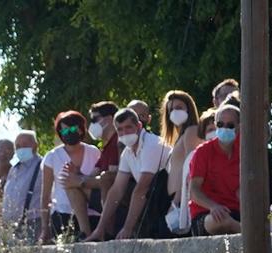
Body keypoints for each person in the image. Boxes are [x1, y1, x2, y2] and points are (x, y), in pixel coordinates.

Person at [91, 106, 173, 241]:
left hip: (167, 198)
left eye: (128, 127)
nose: (125, 133)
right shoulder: (127, 152)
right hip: (153, 199)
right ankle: (105, 232)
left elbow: (141, 189)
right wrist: (100, 228)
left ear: (139, 126)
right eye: (120, 130)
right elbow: (116, 190)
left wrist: (128, 228)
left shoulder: (151, 144)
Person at [41, 111, 102, 242]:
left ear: (81, 129)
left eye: (73, 129)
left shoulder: (94, 152)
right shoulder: (52, 157)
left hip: (93, 214)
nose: (69, 133)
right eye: (65, 131)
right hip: (63, 215)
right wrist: (45, 227)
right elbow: (45, 196)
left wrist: (78, 176)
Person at [189, 100, 243, 235]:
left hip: (234, 212)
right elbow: (194, 191)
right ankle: (247, 232)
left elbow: (241, 191)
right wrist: (213, 206)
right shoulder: (203, 152)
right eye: (220, 124)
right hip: (206, 213)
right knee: (221, 221)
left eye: (230, 125)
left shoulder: (244, 152)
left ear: (239, 127)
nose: (224, 128)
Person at [160, 90, 206, 238]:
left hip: (180, 199)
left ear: (189, 109)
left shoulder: (192, 131)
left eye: (179, 107)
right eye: (171, 109)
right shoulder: (178, 137)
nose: (174, 112)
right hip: (173, 198)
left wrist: (177, 201)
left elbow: (190, 167)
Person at [0, 132, 46, 243]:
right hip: (11, 227)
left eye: (24, 145)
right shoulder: (14, 169)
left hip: (33, 223)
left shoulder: (43, 166)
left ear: (35, 145)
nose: (20, 149)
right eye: (17, 146)